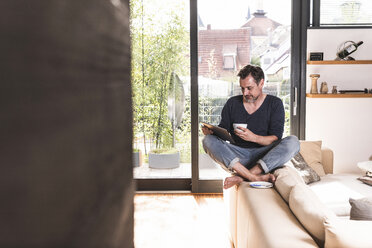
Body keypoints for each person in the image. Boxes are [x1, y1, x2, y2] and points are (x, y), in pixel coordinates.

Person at [202, 64, 300, 189]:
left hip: (264, 156)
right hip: (237, 157)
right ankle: (253, 177)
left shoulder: (274, 104)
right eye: (242, 88)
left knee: (293, 142)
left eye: (249, 88)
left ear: (261, 83)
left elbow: (275, 138)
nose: (245, 93)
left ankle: (242, 177)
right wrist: (212, 133)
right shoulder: (232, 103)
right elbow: (223, 132)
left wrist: (253, 137)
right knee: (208, 141)